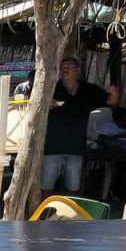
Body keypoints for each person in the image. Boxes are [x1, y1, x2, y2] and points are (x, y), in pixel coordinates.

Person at [41, 57, 107, 197]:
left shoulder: (89, 90)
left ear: (78, 70)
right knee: (46, 188)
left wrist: (114, 93)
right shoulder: (51, 89)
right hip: (52, 149)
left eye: (69, 66)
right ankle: (44, 216)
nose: (65, 68)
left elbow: (110, 100)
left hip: (75, 150)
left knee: (73, 190)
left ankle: (69, 217)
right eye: (63, 66)